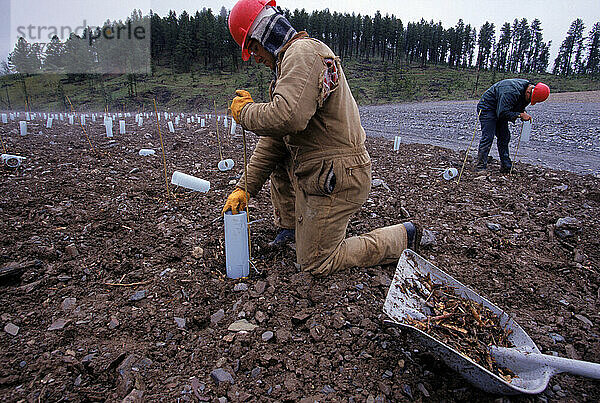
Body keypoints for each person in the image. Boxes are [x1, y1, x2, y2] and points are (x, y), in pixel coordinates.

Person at [222, 0, 421, 276]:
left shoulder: (302, 53)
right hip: (327, 169)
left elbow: (288, 117)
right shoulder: (289, 67)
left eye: (253, 47)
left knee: (316, 262)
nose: (255, 57)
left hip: (338, 175)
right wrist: (244, 187)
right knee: (279, 157)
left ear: (263, 34)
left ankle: (401, 237)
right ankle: (292, 228)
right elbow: (276, 138)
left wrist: (245, 114)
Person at [476, 79, 550, 172]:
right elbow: (502, 113)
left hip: (501, 108)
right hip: (487, 108)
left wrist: (522, 112)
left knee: (504, 137)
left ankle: (506, 166)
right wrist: (519, 115)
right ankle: (480, 167)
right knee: (488, 137)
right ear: (528, 91)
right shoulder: (511, 91)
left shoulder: (526, 90)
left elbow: (516, 106)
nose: (529, 102)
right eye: (530, 99)